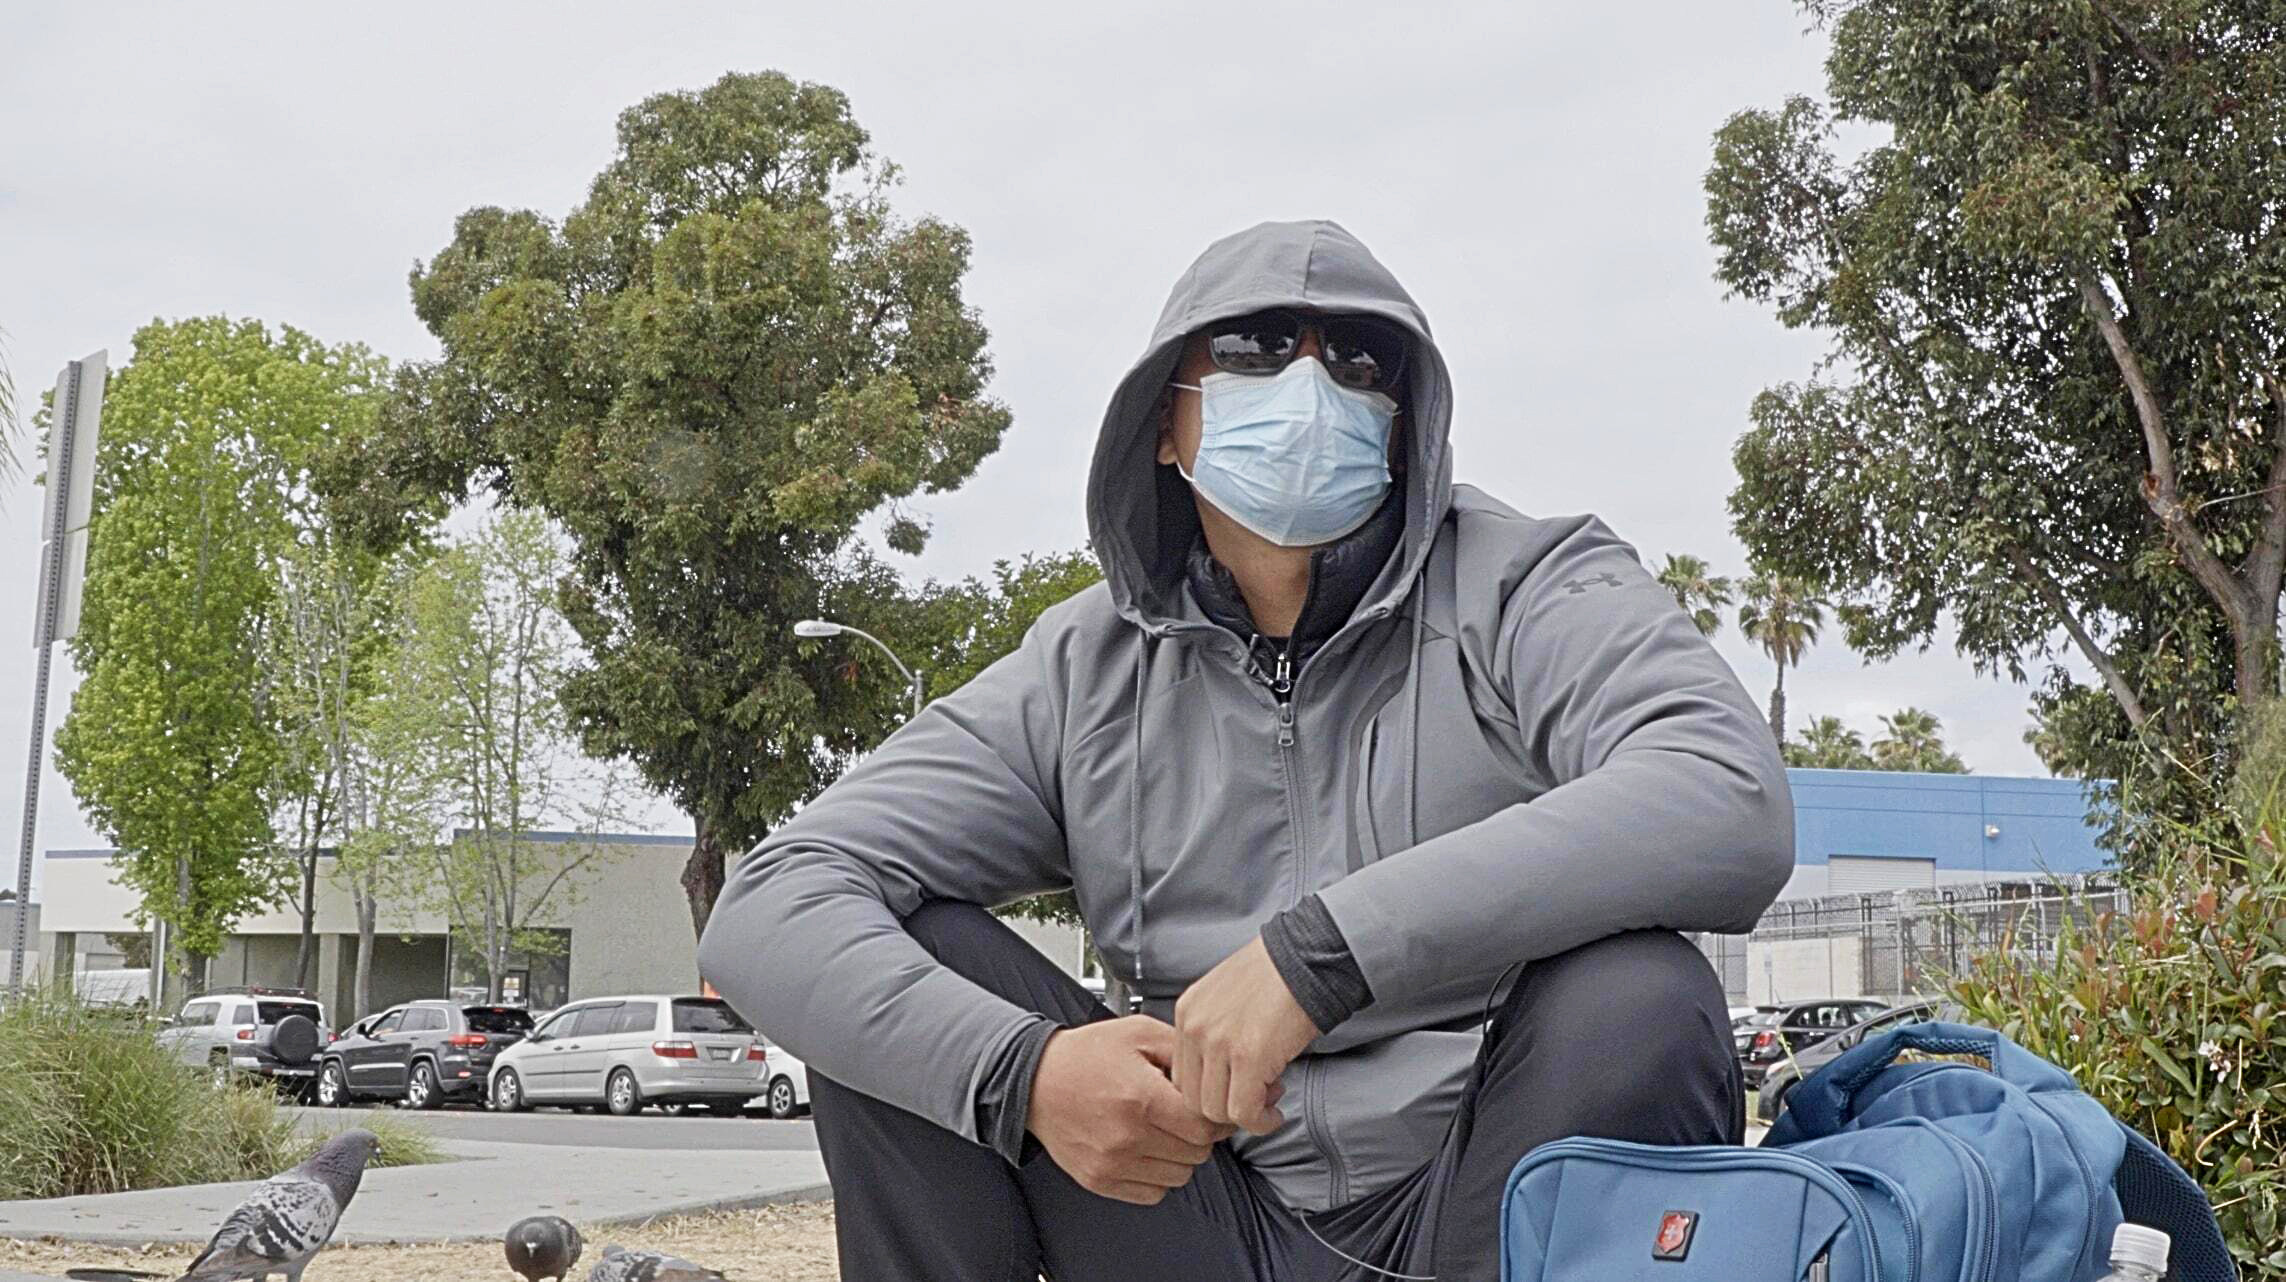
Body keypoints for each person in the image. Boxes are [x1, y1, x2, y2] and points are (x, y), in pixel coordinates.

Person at [698, 220, 1794, 1280]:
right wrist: (1021, 1074)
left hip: (1481, 1196)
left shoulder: (1529, 585)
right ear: (1164, 424)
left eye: (1363, 359)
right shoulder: (1082, 669)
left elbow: (1725, 791)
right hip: (1191, 1199)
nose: (1313, 386)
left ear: (1407, 424)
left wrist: (1322, 955)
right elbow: (774, 899)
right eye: (1256, 347)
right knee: (904, 976)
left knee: (1642, 995)